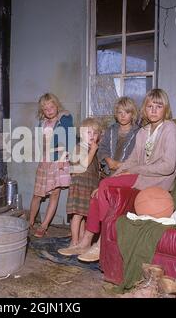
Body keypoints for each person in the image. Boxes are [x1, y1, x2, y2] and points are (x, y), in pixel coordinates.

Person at [65, 89, 176, 262]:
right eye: (150, 106)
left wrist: (137, 169)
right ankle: (86, 241)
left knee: (105, 186)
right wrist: (110, 179)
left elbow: (168, 166)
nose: (153, 110)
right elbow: (130, 161)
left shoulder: (170, 129)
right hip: (142, 177)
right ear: (144, 108)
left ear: (166, 109)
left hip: (157, 182)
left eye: (158, 106)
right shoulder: (144, 132)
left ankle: (102, 244)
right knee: (98, 193)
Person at [58, 97, 139, 256]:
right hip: (104, 174)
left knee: (86, 212)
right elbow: (101, 151)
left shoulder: (138, 133)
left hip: (124, 173)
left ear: (133, 114)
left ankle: (94, 242)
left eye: (127, 112)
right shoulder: (111, 131)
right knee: (82, 212)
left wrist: (121, 166)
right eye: (119, 112)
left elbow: (137, 156)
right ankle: (80, 242)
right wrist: (108, 160)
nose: (123, 116)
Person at [29, 93, 74, 238]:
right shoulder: (42, 123)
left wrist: (63, 156)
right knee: (37, 194)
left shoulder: (65, 118)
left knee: (55, 193)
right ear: (42, 111)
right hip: (45, 160)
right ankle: (29, 223)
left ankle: (43, 226)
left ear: (57, 105)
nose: (49, 110)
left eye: (51, 107)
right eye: (45, 108)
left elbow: (70, 139)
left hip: (59, 159)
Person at [56, 117, 102, 253]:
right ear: (81, 134)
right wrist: (93, 150)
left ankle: (82, 240)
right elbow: (85, 164)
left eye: (95, 133)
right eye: (88, 133)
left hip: (89, 185)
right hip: (80, 184)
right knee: (77, 215)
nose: (92, 136)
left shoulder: (92, 149)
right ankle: (74, 241)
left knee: (84, 214)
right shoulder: (80, 147)